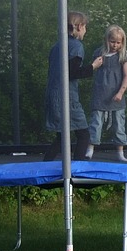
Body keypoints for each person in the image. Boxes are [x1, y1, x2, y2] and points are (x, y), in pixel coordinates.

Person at [43, 11, 103, 161]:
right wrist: (93, 66)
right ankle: (78, 165)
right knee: (83, 134)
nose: (85, 30)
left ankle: (45, 164)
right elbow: (72, 72)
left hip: (54, 94)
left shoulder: (57, 45)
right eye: (84, 27)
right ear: (78, 26)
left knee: (62, 136)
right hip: (66, 97)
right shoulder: (76, 46)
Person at [86, 25, 127, 162]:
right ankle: (90, 149)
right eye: (113, 41)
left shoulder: (123, 56)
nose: (115, 45)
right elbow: (93, 68)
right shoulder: (99, 53)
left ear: (122, 43)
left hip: (116, 96)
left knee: (119, 125)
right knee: (95, 123)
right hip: (100, 94)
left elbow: (126, 76)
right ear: (107, 40)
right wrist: (95, 64)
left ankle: (120, 152)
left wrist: (121, 92)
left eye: (118, 42)